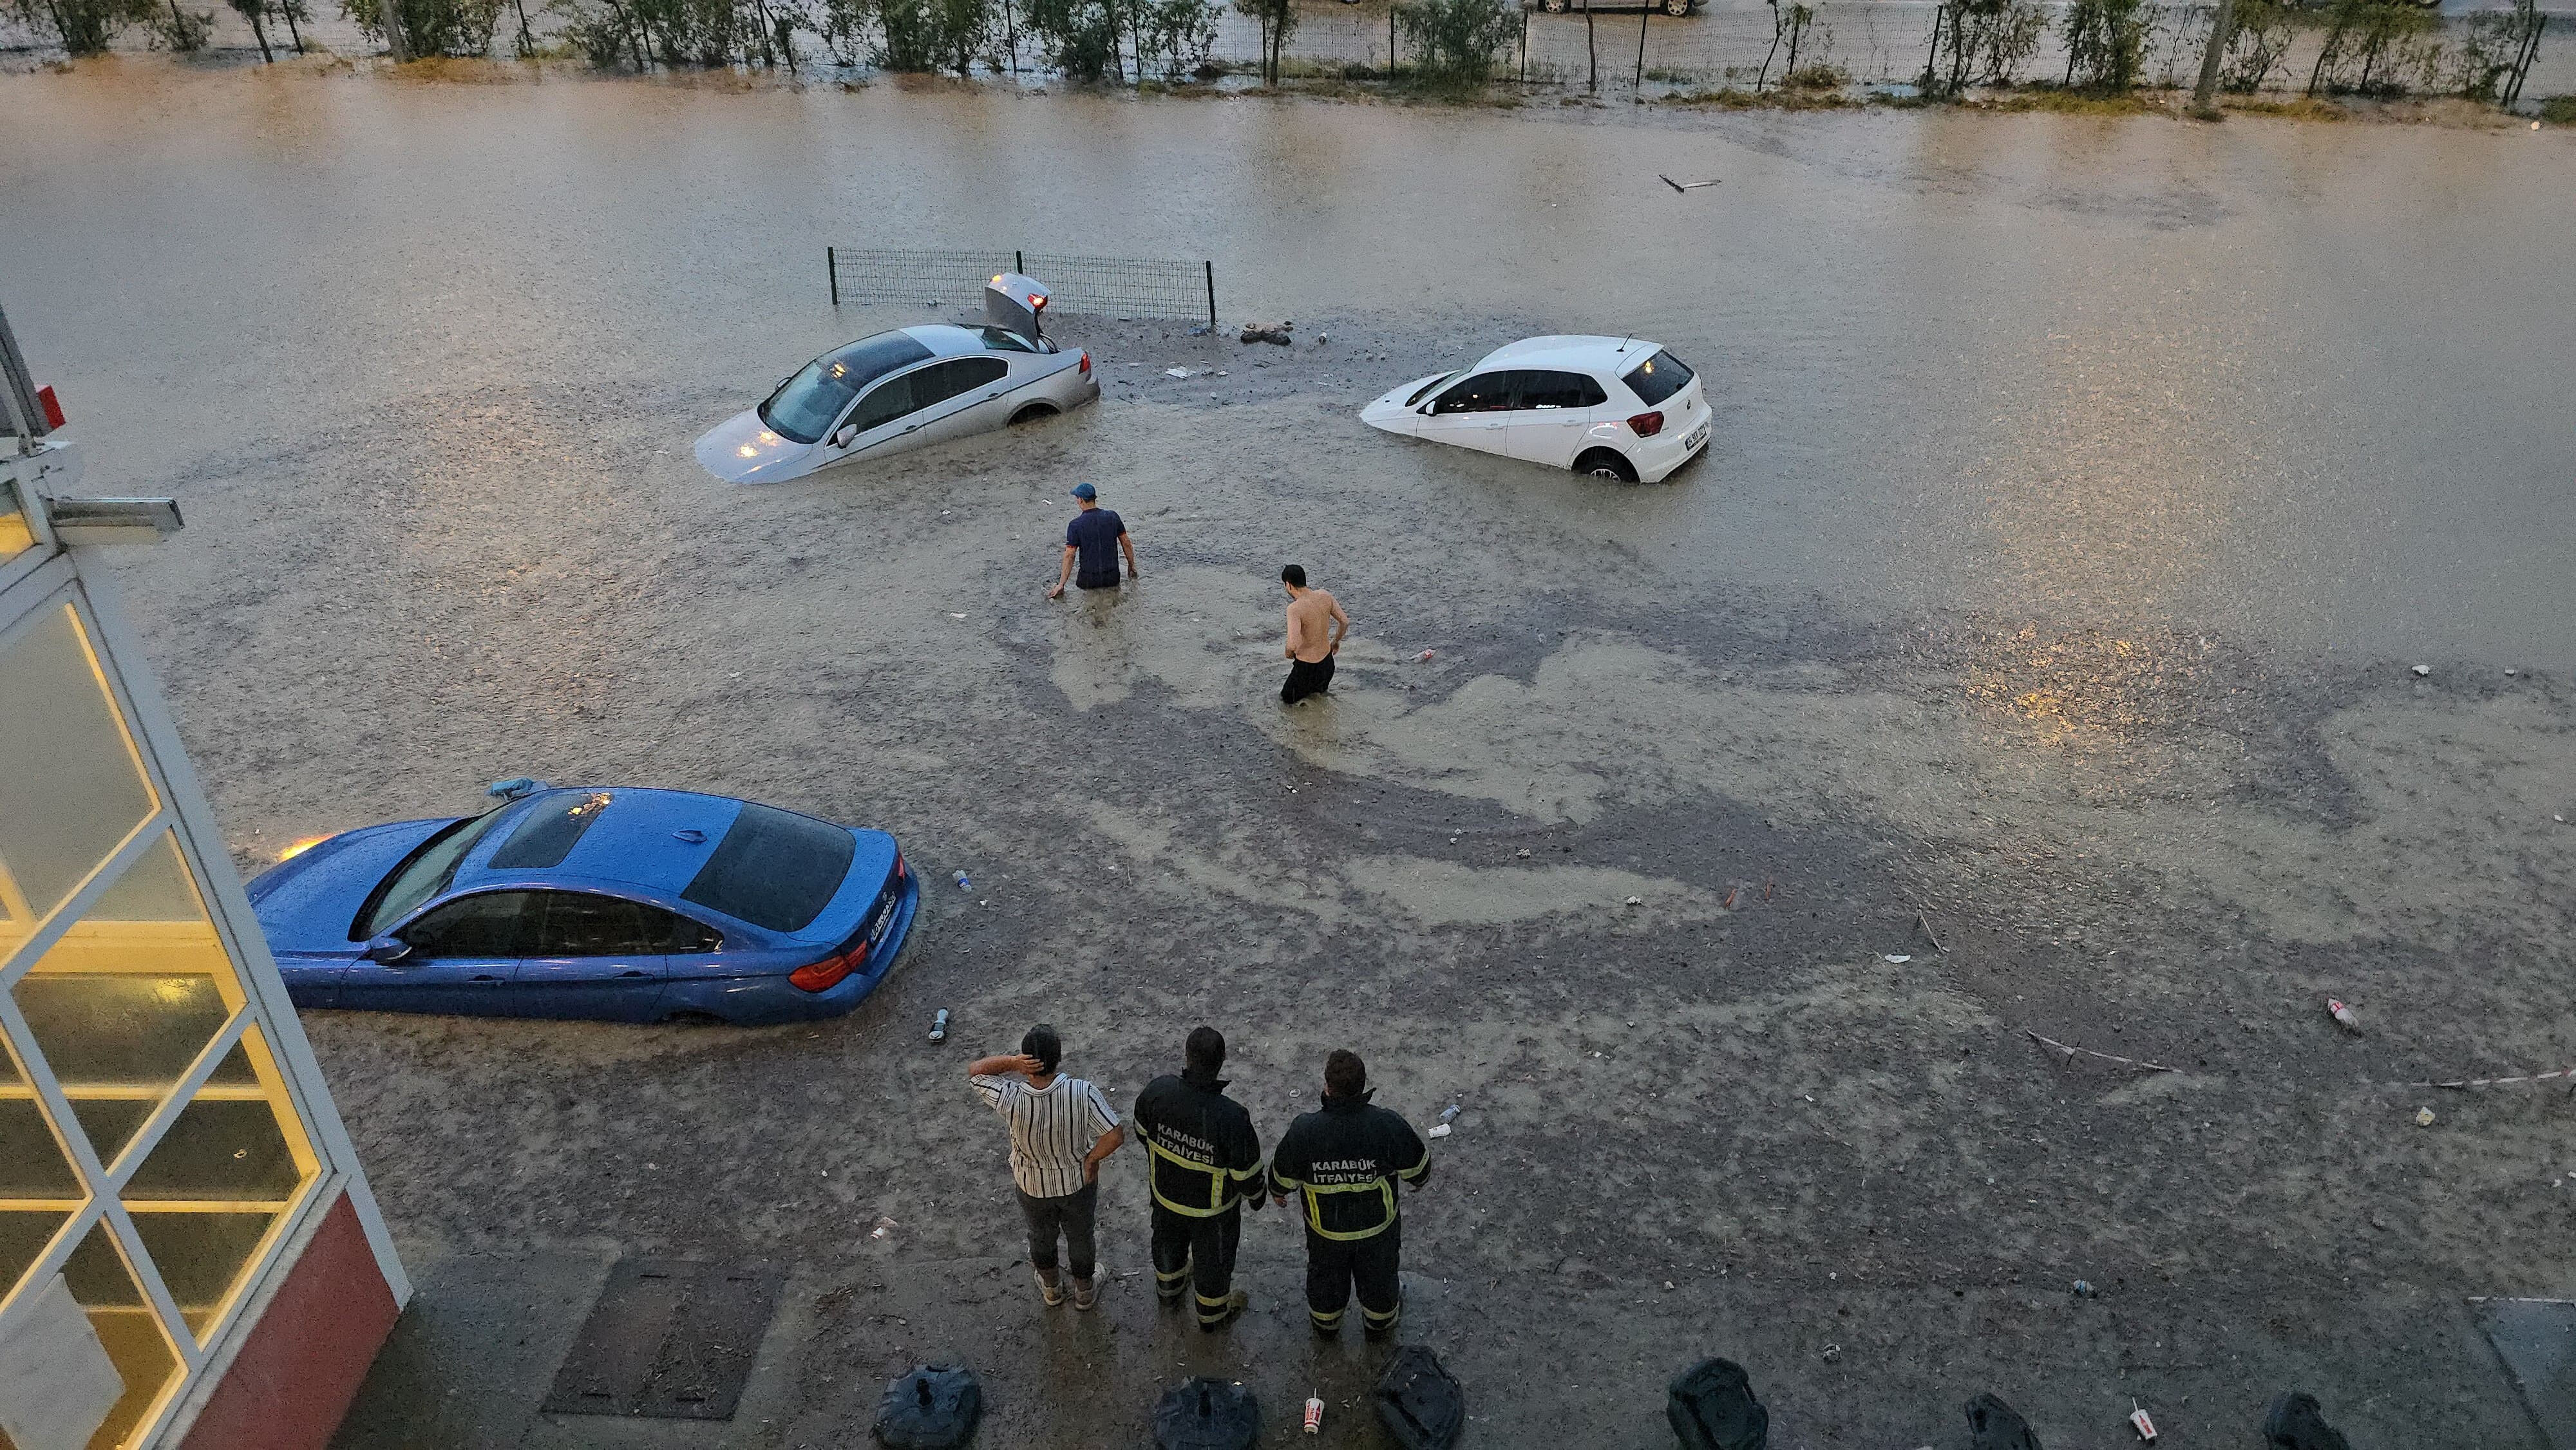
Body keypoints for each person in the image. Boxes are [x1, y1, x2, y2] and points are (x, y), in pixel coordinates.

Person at [1267, 1049, 1430, 1341]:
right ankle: (1379, 1330)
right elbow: (1419, 1170)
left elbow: (1281, 1178)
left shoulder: (1306, 1130)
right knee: (1379, 1282)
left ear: (1327, 1087)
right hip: (1377, 1230)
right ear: (1364, 1086)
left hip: (1326, 1232)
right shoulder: (1386, 1125)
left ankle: (1326, 1328)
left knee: (1326, 1282)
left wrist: (1278, 1193)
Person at [969, 1025, 1126, 1310]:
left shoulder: (1010, 1097)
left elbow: (976, 1071)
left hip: (1032, 1186)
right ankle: (1085, 1292)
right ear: (1059, 1057)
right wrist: (1092, 1159)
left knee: (1040, 1236)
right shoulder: (1083, 1093)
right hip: (1077, 1182)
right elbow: (1114, 1136)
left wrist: (1011, 1063)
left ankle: (1052, 1289)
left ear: (1027, 1061)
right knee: (1080, 1236)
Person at [1132, 1026, 1266, 1332]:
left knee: (1167, 1245)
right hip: (1213, 1214)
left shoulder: (1158, 1092)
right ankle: (1212, 1315)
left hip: (1165, 1196)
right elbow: (1247, 1173)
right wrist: (1257, 1198)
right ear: (1221, 1062)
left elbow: (1142, 1132)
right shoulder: (1231, 1116)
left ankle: (1169, 1291)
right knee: (1213, 1264)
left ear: (1187, 1057)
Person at [1048, 483, 1138, 599]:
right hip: (1112, 578)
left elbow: (1069, 556)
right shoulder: (1113, 517)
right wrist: (1131, 566)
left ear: (1080, 500)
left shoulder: (1075, 525)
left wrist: (1061, 585)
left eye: (1077, 498)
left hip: (1088, 580)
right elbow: (1126, 543)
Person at [1279, 563, 1348, 704]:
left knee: (1285, 703)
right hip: (1327, 665)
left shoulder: (1295, 609)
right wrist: (1335, 641)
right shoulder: (1325, 595)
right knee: (1318, 700)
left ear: (1288, 585)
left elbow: (1293, 644)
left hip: (1306, 669)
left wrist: (1288, 654)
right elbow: (1345, 621)